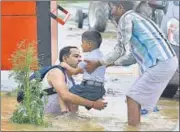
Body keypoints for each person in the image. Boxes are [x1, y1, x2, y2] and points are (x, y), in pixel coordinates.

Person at [84, 1, 178, 126]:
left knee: (133, 98)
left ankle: (133, 127)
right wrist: (110, 64)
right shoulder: (138, 18)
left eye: (111, 7)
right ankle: (137, 126)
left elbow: (120, 49)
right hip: (168, 62)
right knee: (134, 98)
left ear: (120, 8)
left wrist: (98, 64)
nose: (110, 12)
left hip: (161, 63)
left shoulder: (126, 18)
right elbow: (132, 57)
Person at [41, 46, 107, 115]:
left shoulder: (71, 81)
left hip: (57, 119)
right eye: (76, 56)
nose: (80, 59)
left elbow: (73, 107)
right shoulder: (56, 72)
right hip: (44, 119)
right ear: (65, 58)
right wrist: (93, 104)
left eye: (80, 57)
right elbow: (65, 96)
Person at [60, 30, 106, 110]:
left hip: (89, 88)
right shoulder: (102, 57)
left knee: (67, 94)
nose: (81, 45)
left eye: (82, 42)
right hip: (100, 89)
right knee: (78, 97)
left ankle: (65, 112)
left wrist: (65, 65)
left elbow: (74, 72)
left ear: (89, 44)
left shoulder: (88, 59)